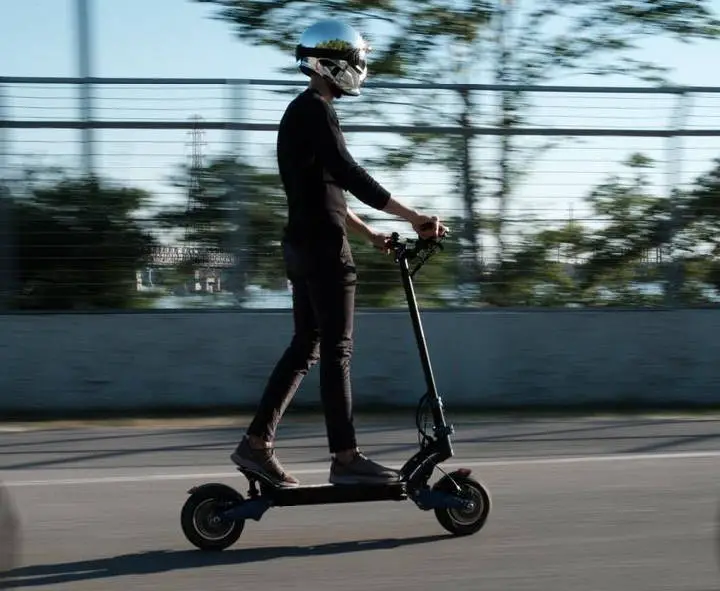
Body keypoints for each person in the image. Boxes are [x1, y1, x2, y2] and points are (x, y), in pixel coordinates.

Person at [230, 19, 447, 488]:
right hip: (324, 249)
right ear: (332, 64)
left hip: (302, 243)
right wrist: (412, 216)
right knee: (337, 350)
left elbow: (325, 191)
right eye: (356, 61)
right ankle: (345, 458)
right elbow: (347, 173)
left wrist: (370, 236)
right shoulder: (316, 110)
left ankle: (256, 445)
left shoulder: (300, 113)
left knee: (307, 345)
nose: (360, 69)